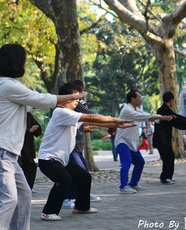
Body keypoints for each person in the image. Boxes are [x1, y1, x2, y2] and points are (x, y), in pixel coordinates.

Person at [0, 43, 87, 230]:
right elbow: (42, 100)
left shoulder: (5, 86)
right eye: (24, 60)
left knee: (24, 193)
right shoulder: (8, 86)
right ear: (17, 63)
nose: (26, 65)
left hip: (5, 151)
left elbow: (31, 104)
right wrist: (75, 96)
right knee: (9, 199)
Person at [37, 82, 133, 221]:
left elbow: (95, 122)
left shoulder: (71, 114)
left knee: (84, 176)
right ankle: (48, 212)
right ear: (64, 98)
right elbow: (91, 117)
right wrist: (115, 120)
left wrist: (118, 124)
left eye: (78, 98)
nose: (78, 101)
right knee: (64, 179)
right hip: (48, 159)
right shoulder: (60, 111)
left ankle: (81, 207)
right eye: (75, 98)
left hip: (60, 159)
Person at [116, 90, 175, 194]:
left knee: (140, 162)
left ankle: (133, 184)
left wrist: (161, 118)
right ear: (132, 99)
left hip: (132, 143)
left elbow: (148, 114)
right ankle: (123, 186)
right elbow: (145, 117)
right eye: (139, 97)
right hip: (122, 141)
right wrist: (162, 117)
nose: (141, 99)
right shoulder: (127, 110)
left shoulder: (136, 109)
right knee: (127, 162)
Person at [62, 80, 101, 208]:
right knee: (79, 171)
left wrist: (85, 129)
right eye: (83, 90)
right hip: (70, 147)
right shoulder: (70, 107)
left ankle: (82, 194)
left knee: (83, 168)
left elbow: (79, 123)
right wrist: (113, 121)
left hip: (76, 145)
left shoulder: (74, 107)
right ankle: (68, 197)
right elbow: (90, 116)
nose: (84, 93)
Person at [153, 92, 186, 185]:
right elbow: (177, 120)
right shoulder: (164, 110)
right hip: (162, 139)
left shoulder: (164, 109)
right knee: (169, 156)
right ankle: (166, 177)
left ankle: (165, 177)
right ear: (171, 100)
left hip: (162, 139)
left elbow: (177, 118)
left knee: (167, 157)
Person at [18, 112, 42, 190]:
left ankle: (27, 188)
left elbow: (38, 131)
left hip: (28, 149)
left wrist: (35, 129)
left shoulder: (28, 115)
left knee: (30, 167)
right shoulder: (13, 114)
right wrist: (28, 131)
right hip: (17, 148)